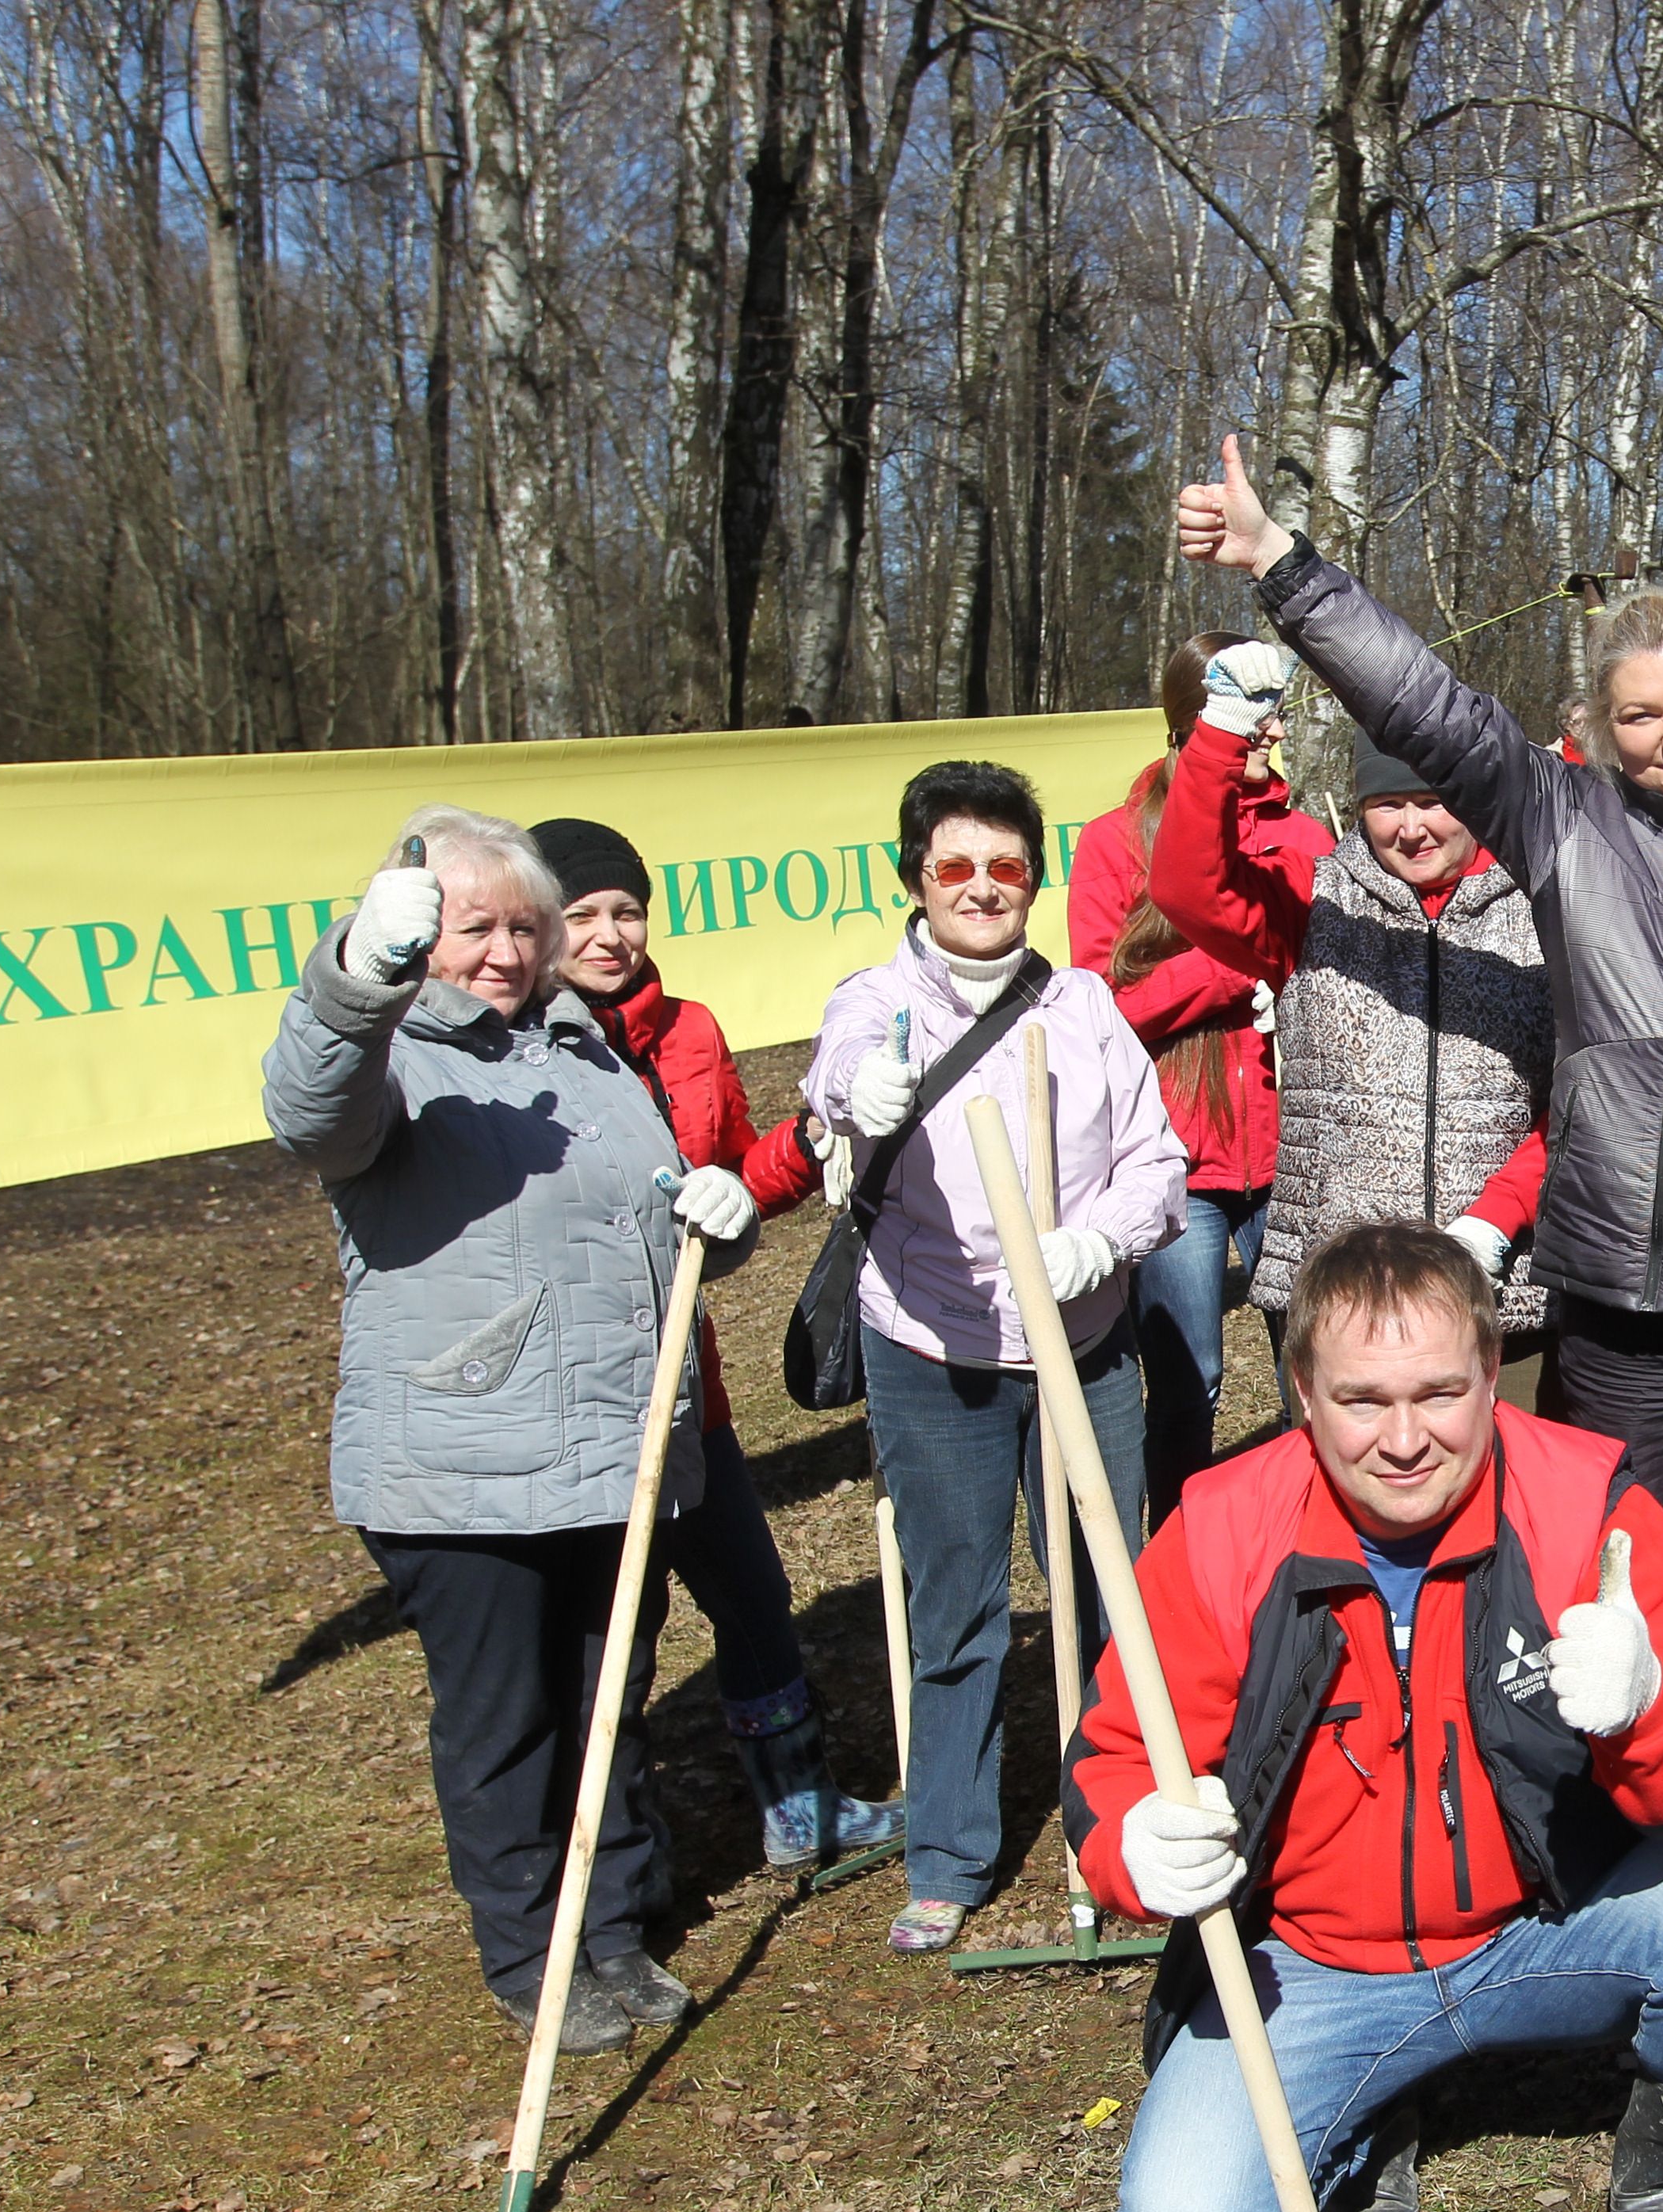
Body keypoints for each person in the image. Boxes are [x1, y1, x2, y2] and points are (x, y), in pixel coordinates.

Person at [1175, 436, 1663, 1715]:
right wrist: (1282, 562)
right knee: (1629, 1576)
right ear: (1603, 733)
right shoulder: (1567, 826)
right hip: (1620, 1288)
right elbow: (1420, 702)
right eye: (1641, 714)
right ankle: (1661, 1801)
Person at [1088, 1223, 1663, 2212]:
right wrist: (1132, 1848)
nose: (1407, 1439)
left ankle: (1660, 2177)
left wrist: (1651, 1703)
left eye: (1441, 1393)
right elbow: (1119, 1756)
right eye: (1364, 1400)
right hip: (1312, 1966)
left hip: (1549, 1922)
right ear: (1303, 1394)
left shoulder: (1588, 1510)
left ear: (1491, 1376)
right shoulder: (1221, 1531)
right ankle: (1369, 2112)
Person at [263, 810, 757, 2052]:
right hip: (464, 1460)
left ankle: (614, 1926)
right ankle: (531, 1951)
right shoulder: (392, 1061)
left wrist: (723, 1215)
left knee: (609, 1701)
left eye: (522, 928)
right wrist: (354, 978)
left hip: (616, 1449)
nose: (504, 951)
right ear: (418, 939)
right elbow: (309, 1111)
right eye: (473, 927)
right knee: (507, 1719)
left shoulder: (586, 1050)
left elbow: (648, 1235)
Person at [805, 761, 1187, 1953]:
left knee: (1110, 1585)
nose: (982, 888)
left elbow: (1156, 1161)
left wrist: (1104, 1242)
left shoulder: (1081, 1009)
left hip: (1081, 1337)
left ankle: (1124, 1824)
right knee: (956, 1597)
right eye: (954, 867)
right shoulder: (879, 1002)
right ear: (915, 878)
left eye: (1006, 867)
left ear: (1035, 878)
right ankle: (952, 1850)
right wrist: (858, 1096)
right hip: (938, 1346)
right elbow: (835, 1083)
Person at [540, 814, 900, 1872]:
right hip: (585, 1399)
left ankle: (799, 1806)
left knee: (751, 1593)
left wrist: (815, 1139)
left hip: (692, 1387)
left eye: (626, 911)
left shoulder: (689, 1031)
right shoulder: (521, 1049)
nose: (611, 934)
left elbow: (744, 1173)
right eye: (584, 915)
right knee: (621, 1630)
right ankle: (618, 1852)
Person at [1146, 647, 1560, 1406]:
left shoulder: (1547, 910)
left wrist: (1499, 1221)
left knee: (1511, 1506)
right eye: (1385, 802)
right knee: (1342, 1516)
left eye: (1432, 799)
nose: (1410, 827)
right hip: (1342, 1298)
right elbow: (1186, 885)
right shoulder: (1314, 903)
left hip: (1507, 1289)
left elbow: (1575, 1101)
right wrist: (1223, 734)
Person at [1067, 635, 1320, 1512]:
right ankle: (1178, 1561)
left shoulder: (1305, 836)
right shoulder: (1114, 844)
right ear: (1193, 722)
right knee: (1189, 1386)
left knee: (1322, 1377)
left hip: (1296, 1152)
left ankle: (1320, 1546)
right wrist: (1235, 969)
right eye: (1254, 719)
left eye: (1276, 717)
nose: (1272, 732)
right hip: (1179, 1162)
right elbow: (1102, 1008)